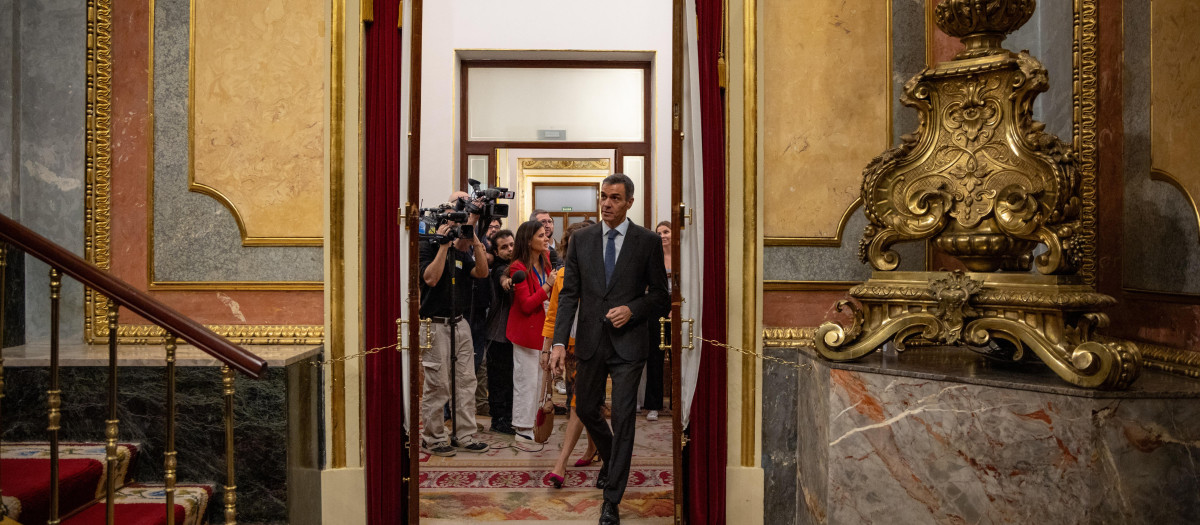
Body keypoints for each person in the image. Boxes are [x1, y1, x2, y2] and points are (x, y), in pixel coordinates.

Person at [549, 173, 669, 524]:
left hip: (630, 344)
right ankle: (613, 454)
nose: (607, 203)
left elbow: (661, 296)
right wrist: (558, 342)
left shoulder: (646, 241)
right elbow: (569, 294)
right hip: (589, 342)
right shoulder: (583, 240)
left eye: (615, 198)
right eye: (603, 196)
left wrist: (633, 309)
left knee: (624, 418)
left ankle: (611, 499)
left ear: (629, 202)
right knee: (586, 408)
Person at [417, 193, 492, 457]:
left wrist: (477, 243)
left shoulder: (463, 250)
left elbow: (481, 273)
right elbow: (431, 279)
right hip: (434, 324)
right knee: (438, 384)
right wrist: (442, 245)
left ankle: (464, 434)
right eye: (451, 216)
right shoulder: (426, 245)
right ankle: (434, 438)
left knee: (465, 380)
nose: (454, 222)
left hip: (460, 323)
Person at [543, 221, 600, 489]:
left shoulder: (604, 274)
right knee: (582, 402)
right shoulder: (563, 275)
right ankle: (592, 449)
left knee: (578, 403)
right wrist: (549, 348)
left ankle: (560, 463)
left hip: (597, 347)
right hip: (571, 348)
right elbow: (554, 315)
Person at [506, 220, 555, 443]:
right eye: (541, 236)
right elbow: (525, 304)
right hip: (526, 330)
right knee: (526, 380)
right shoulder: (517, 266)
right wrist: (548, 285)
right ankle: (522, 426)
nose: (546, 238)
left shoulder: (545, 260)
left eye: (546, 235)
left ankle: (536, 423)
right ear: (528, 241)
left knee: (541, 379)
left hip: (544, 327)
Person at [484, 229, 517, 434]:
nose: (509, 249)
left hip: (513, 334)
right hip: (498, 334)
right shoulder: (499, 269)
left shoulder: (516, 265)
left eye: (512, 245)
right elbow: (503, 279)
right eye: (504, 247)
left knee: (512, 377)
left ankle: (510, 416)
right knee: (498, 378)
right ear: (496, 252)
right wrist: (508, 283)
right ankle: (498, 419)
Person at [640, 220, 673, 422]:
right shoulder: (652, 257)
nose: (662, 236)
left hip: (678, 309)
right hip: (656, 310)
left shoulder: (681, 258)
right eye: (659, 232)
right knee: (655, 358)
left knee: (678, 359)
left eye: (666, 231)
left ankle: (678, 403)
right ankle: (653, 405)